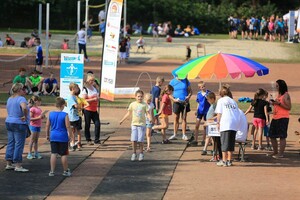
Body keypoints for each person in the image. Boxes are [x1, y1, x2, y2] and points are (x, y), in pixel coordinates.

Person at [120, 90, 152, 161]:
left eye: (141, 97)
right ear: (135, 97)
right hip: (134, 124)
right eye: (138, 96)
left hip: (142, 124)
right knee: (134, 139)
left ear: (143, 97)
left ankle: (141, 153)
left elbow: (148, 113)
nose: (140, 98)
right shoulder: (132, 104)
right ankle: (134, 153)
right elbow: (128, 113)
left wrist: (151, 118)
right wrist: (122, 120)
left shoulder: (145, 105)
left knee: (140, 140)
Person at [5, 83, 30, 172]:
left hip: (9, 121)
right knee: (19, 144)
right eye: (23, 89)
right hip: (19, 122)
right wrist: (24, 115)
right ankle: (18, 164)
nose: (24, 91)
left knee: (11, 142)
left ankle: (9, 163)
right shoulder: (21, 98)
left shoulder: (10, 99)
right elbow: (24, 107)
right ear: (19, 90)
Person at [46, 97, 72, 177]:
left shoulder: (50, 114)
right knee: (63, 154)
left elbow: (47, 125)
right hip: (62, 136)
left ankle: (52, 171)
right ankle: (65, 170)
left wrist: (47, 135)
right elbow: (68, 126)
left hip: (53, 135)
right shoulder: (65, 115)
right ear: (62, 105)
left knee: (53, 153)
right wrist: (70, 135)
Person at [215, 85, 240, 167]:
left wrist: (218, 122)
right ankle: (229, 160)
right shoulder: (233, 101)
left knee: (224, 142)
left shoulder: (221, 101)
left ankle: (224, 160)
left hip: (226, 122)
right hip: (234, 123)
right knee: (231, 142)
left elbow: (219, 113)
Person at [268, 79, 291, 159]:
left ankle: (281, 153)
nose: (276, 87)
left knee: (282, 136)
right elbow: (277, 105)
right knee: (272, 135)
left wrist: (279, 103)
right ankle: (275, 151)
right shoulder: (279, 95)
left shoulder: (286, 95)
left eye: (277, 86)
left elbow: (289, 107)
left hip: (283, 118)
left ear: (281, 86)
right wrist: (273, 103)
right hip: (275, 117)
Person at [169, 76, 192, 141]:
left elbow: (190, 91)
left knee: (184, 118)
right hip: (176, 102)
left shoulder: (186, 81)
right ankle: (174, 134)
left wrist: (188, 96)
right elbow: (168, 93)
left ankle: (184, 134)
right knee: (176, 117)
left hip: (185, 102)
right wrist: (174, 100)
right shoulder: (172, 82)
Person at [82, 73, 101, 145]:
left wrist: (98, 99)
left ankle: (97, 139)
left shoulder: (94, 88)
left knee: (97, 124)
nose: (92, 82)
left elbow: (97, 97)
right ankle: (88, 139)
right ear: (87, 80)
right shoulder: (85, 89)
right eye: (90, 80)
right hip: (87, 109)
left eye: (93, 80)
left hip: (94, 109)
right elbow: (84, 100)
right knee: (87, 124)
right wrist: (93, 99)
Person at [193, 81, 211, 153]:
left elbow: (211, 101)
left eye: (204, 86)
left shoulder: (208, 93)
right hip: (200, 111)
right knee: (197, 125)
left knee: (205, 126)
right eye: (202, 87)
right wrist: (196, 110)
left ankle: (203, 140)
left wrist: (207, 98)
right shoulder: (198, 94)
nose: (203, 87)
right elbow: (198, 102)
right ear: (199, 87)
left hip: (206, 111)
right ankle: (196, 140)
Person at [204, 92, 222, 162]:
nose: (208, 101)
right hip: (209, 123)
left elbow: (218, 115)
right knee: (211, 138)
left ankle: (215, 153)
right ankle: (214, 153)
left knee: (214, 139)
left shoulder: (215, 105)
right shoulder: (212, 105)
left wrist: (212, 119)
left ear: (212, 99)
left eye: (208, 99)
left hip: (212, 123)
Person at [27, 95, 45, 159]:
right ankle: (29, 153)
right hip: (33, 126)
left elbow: (39, 117)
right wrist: (38, 117)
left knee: (36, 140)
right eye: (39, 101)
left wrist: (42, 117)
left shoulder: (39, 109)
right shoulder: (32, 109)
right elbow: (30, 118)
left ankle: (36, 152)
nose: (40, 103)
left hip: (38, 126)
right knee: (32, 140)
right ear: (36, 101)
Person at [67, 83, 81, 151]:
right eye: (77, 88)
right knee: (71, 131)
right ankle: (71, 144)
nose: (78, 89)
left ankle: (73, 143)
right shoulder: (70, 97)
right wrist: (80, 107)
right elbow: (76, 105)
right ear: (73, 89)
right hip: (71, 117)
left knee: (75, 130)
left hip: (75, 116)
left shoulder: (74, 96)